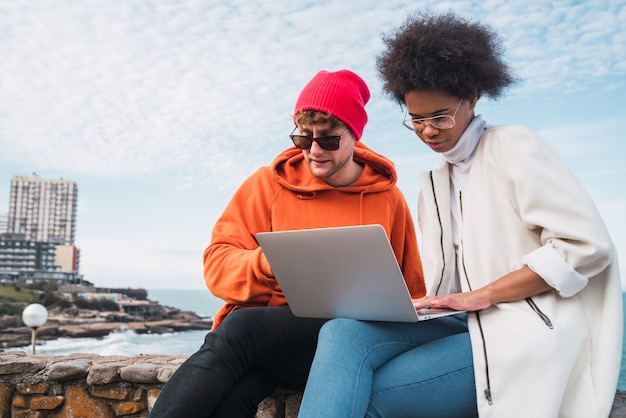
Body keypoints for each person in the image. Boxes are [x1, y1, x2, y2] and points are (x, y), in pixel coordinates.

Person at [297, 12, 622, 418]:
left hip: (522, 329)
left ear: (471, 97)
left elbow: (587, 246)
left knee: (367, 398)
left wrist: (484, 293)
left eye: (440, 116)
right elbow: (450, 280)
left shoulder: (514, 147)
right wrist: (421, 303)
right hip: (462, 321)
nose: (429, 131)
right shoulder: (435, 182)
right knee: (341, 331)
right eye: (416, 120)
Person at [148, 69, 425, 417]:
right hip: (268, 344)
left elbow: (412, 291)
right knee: (233, 397)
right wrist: (265, 264)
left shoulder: (388, 199)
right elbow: (217, 266)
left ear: (354, 135)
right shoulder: (267, 184)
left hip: (342, 342)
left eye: (327, 140)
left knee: (242, 328)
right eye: (303, 138)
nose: (313, 151)